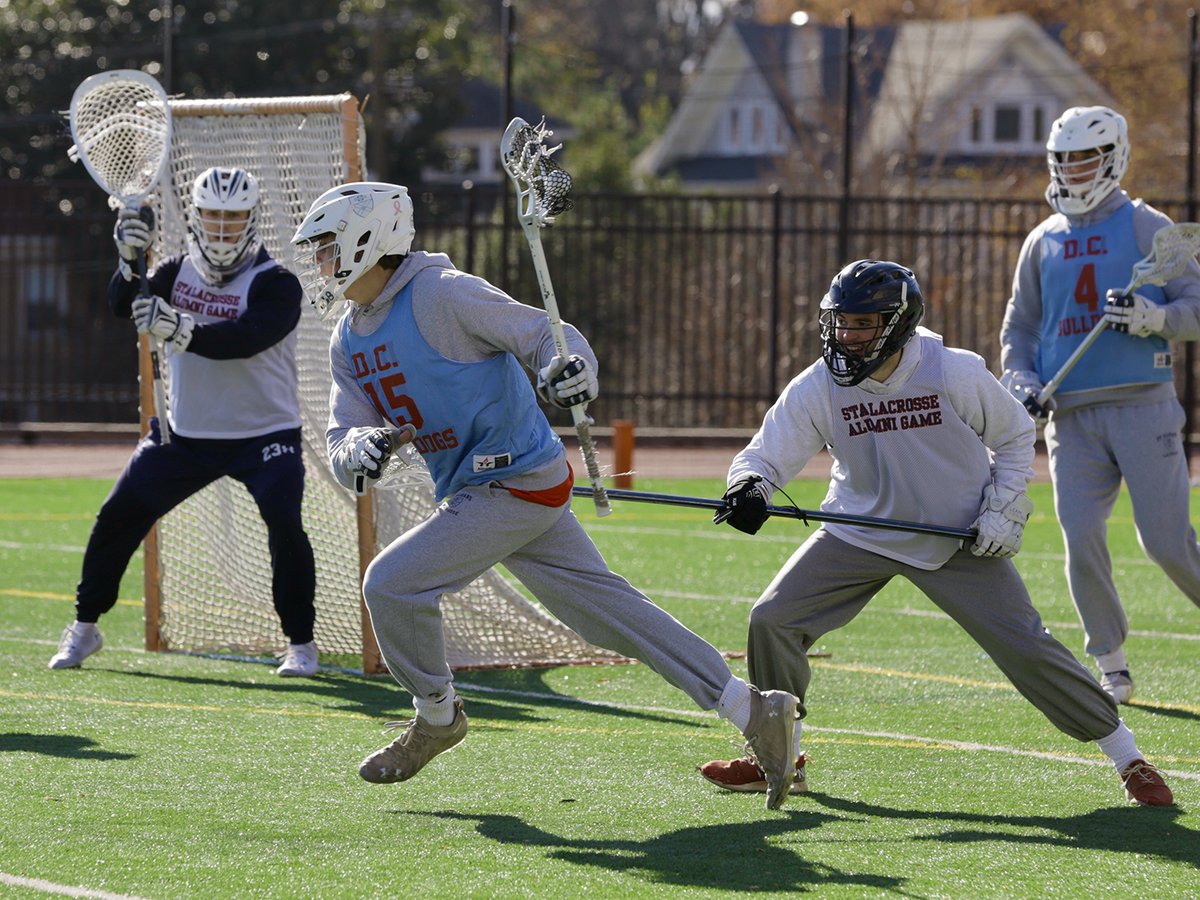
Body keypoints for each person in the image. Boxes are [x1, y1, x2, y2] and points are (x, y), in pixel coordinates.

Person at [290, 181, 800, 809]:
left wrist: (569, 371)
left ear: (366, 242)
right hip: (489, 489)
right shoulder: (347, 338)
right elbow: (344, 434)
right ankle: (756, 711)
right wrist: (354, 450)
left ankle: (438, 715)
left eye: (324, 248)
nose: (317, 263)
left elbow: (549, 338)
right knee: (609, 617)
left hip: (514, 481)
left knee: (390, 584)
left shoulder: (442, 294)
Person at [698, 258, 1174, 807]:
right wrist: (750, 485)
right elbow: (765, 454)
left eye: (862, 324)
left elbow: (1017, 436)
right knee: (772, 620)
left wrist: (1003, 509)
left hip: (956, 536)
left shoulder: (953, 370)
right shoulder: (819, 384)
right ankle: (776, 759)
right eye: (840, 323)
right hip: (860, 529)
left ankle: (1128, 757)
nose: (846, 336)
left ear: (898, 323)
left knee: (1027, 649)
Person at [49, 166, 320, 678]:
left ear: (252, 219)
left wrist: (181, 328)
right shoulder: (174, 270)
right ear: (196, 217)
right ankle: (85, 627)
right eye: (213, 216)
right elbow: (119, 304)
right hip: (185, 435)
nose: (222, 228)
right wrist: (130, 260)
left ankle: (300, 643)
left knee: (285, 523)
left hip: (265, 435)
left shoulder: (277, 283)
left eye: (233, 218)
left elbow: (246, 339)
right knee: (117, 517)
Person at [1000, 105, 1200, 704]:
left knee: (1165, 541)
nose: (1075, 169)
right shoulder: (1042, 240)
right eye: (1065, 159)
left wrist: (1153, 318)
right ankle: (1110, 663)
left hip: (1143, 405)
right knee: (1081, 535)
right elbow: (1021, 330)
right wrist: (1019, 380)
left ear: (1112, 157)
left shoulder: (1146, 226)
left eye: (1086, 157)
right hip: (1072, 416)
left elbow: (1196, 305)